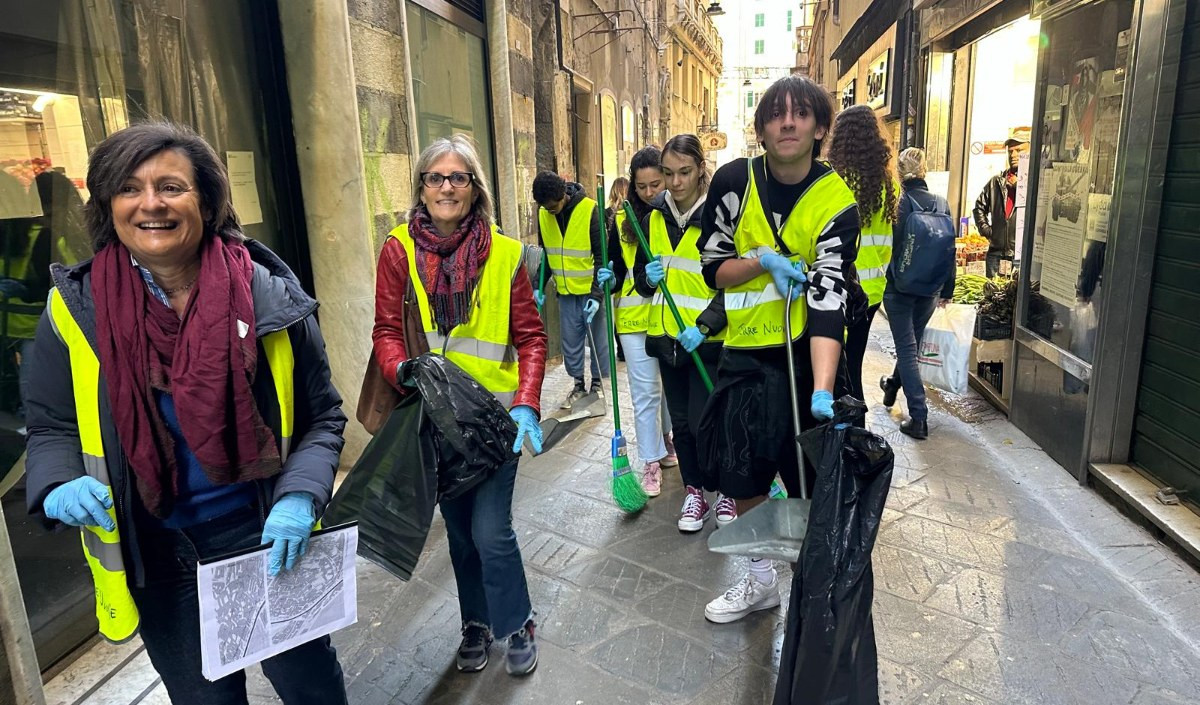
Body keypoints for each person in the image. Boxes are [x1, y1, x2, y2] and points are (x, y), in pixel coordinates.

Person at [23, 122, 348, 704]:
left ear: (206, 199)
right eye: (129, 187)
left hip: (265, 537)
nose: (151, 203)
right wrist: (56, 482)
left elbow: (323, 416)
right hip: (158, 555)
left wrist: (300, 495)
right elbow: (51, 425)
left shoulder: (268, 295)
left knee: (310, 689)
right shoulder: (75, 310)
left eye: (171, 186)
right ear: (108, 204)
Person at [373, 135, 547, 676]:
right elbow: (385, 330)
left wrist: (527, 404)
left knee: (492, 532)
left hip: (495, 421)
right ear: (421, 188)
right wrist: (400, 369)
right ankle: (476, 622)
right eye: (436, 177)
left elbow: (532, 337)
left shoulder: (509, 253)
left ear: (475, 189)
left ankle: (516, 620)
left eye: (459, 178)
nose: (447, 187)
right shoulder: (398, 248)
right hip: (435, 423)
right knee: (459, 532)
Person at [697, 75, 859, 623]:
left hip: (804, 361)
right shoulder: (732, 181)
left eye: (801, 113)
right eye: (776, 114)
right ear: (763, 127)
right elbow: (714, 270)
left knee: (810, 484)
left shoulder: (836, 201)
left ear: (818, 126)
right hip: (744, 358)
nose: (788, 122)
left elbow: (830, 298)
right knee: (742, 475)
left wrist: (820, 390)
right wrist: (762, 259)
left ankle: (815, 586)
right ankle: (761, 579)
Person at [625, 136, 732, 530]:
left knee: (709, 421)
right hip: (667, 337)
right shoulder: (653, 217)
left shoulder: (720, 217)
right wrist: (647, 279)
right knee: (683, 423)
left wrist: (705, 325)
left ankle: (722, 493)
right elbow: (641, 280)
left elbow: (731, 285)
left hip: (706, 340)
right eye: (668, 173)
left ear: (701, 168)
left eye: (684, 172)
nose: (675, 182)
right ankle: (693, 492)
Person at [596, 147, 678, 496]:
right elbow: (614, 267)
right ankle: (650, 462)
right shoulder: (622, 222)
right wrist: (605, 278)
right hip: (633, 320)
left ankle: (665, 439)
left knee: (670, 393)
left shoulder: (676, 218)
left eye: (655, 184)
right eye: (641, 186)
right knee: (645, 393)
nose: (649, 193)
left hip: (671, 318)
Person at [880, 148, 956, 440]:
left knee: (907, 348)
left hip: (900, 289)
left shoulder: (900, 205)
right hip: (930, 290)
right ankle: (891, 388)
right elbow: (950, 251)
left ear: (900, 173)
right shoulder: (941, 204)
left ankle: (919, 417)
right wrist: (947, 289)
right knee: (911, 342)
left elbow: (891, 248)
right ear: (925, 170)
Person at [828, 104, 898, 402]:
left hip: (838, 287)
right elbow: (887, 245)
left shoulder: (834, 183)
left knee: (832, 365)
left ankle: (840, 434)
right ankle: (858, 430)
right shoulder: (887, 185)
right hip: (871, 291)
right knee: (853, 362)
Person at [532, 170, 608, 408]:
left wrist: (597, 295)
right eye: (546, 207)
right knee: (571, 344)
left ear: (563, 194)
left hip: (591, 292)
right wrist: (538, 286)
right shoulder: (544, 213)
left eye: (554, 207)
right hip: (565, 293)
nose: (550, 211)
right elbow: (546, 254)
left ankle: (597, 385)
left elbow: (601, 257)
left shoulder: (590, 210)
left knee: (598, 341)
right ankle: (578, 385)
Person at [973, 136, 1028, 277]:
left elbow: (1036, 208)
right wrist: (987, 230)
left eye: (1019, 150)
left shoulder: (1035, 183)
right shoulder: (996, 182)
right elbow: (979, 206)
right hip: (996, 254)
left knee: (1015, 297)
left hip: (1020, 256)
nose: (1013, 155)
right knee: (993, 295)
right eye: (1010, 151)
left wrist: (1018, 186)